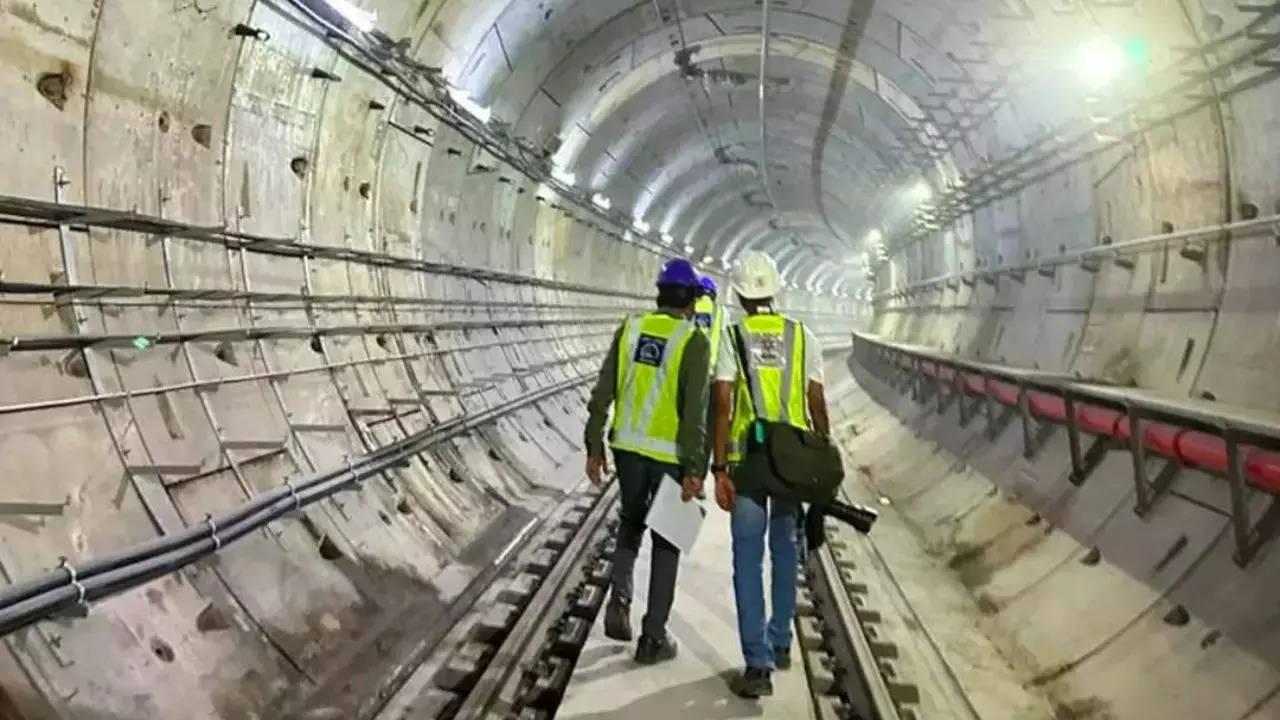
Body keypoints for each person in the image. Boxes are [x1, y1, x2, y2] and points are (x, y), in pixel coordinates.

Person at [710, 250, 830, 699]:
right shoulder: (803, 337)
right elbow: (817, 403)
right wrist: (821, 455)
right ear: (776, 291)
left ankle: (757, 664)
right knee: (785, 551)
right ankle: (781, 642)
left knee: (747, 559)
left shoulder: (732, 337)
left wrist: (719, 467)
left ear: (740, 294)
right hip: (791, 463)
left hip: (748, 464)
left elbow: (722, 402)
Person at [584, 258, 711, 664]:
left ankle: (618, 606)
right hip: (670, 457)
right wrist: (695, 469)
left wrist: (593, 445)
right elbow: (694, 414)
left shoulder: (631, 329)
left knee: (630, 523)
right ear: (691, 301)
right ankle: (652, 638)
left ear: (659, 294)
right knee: (667, 541)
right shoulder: (693, 341)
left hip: (627, 450)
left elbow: (603, 391)